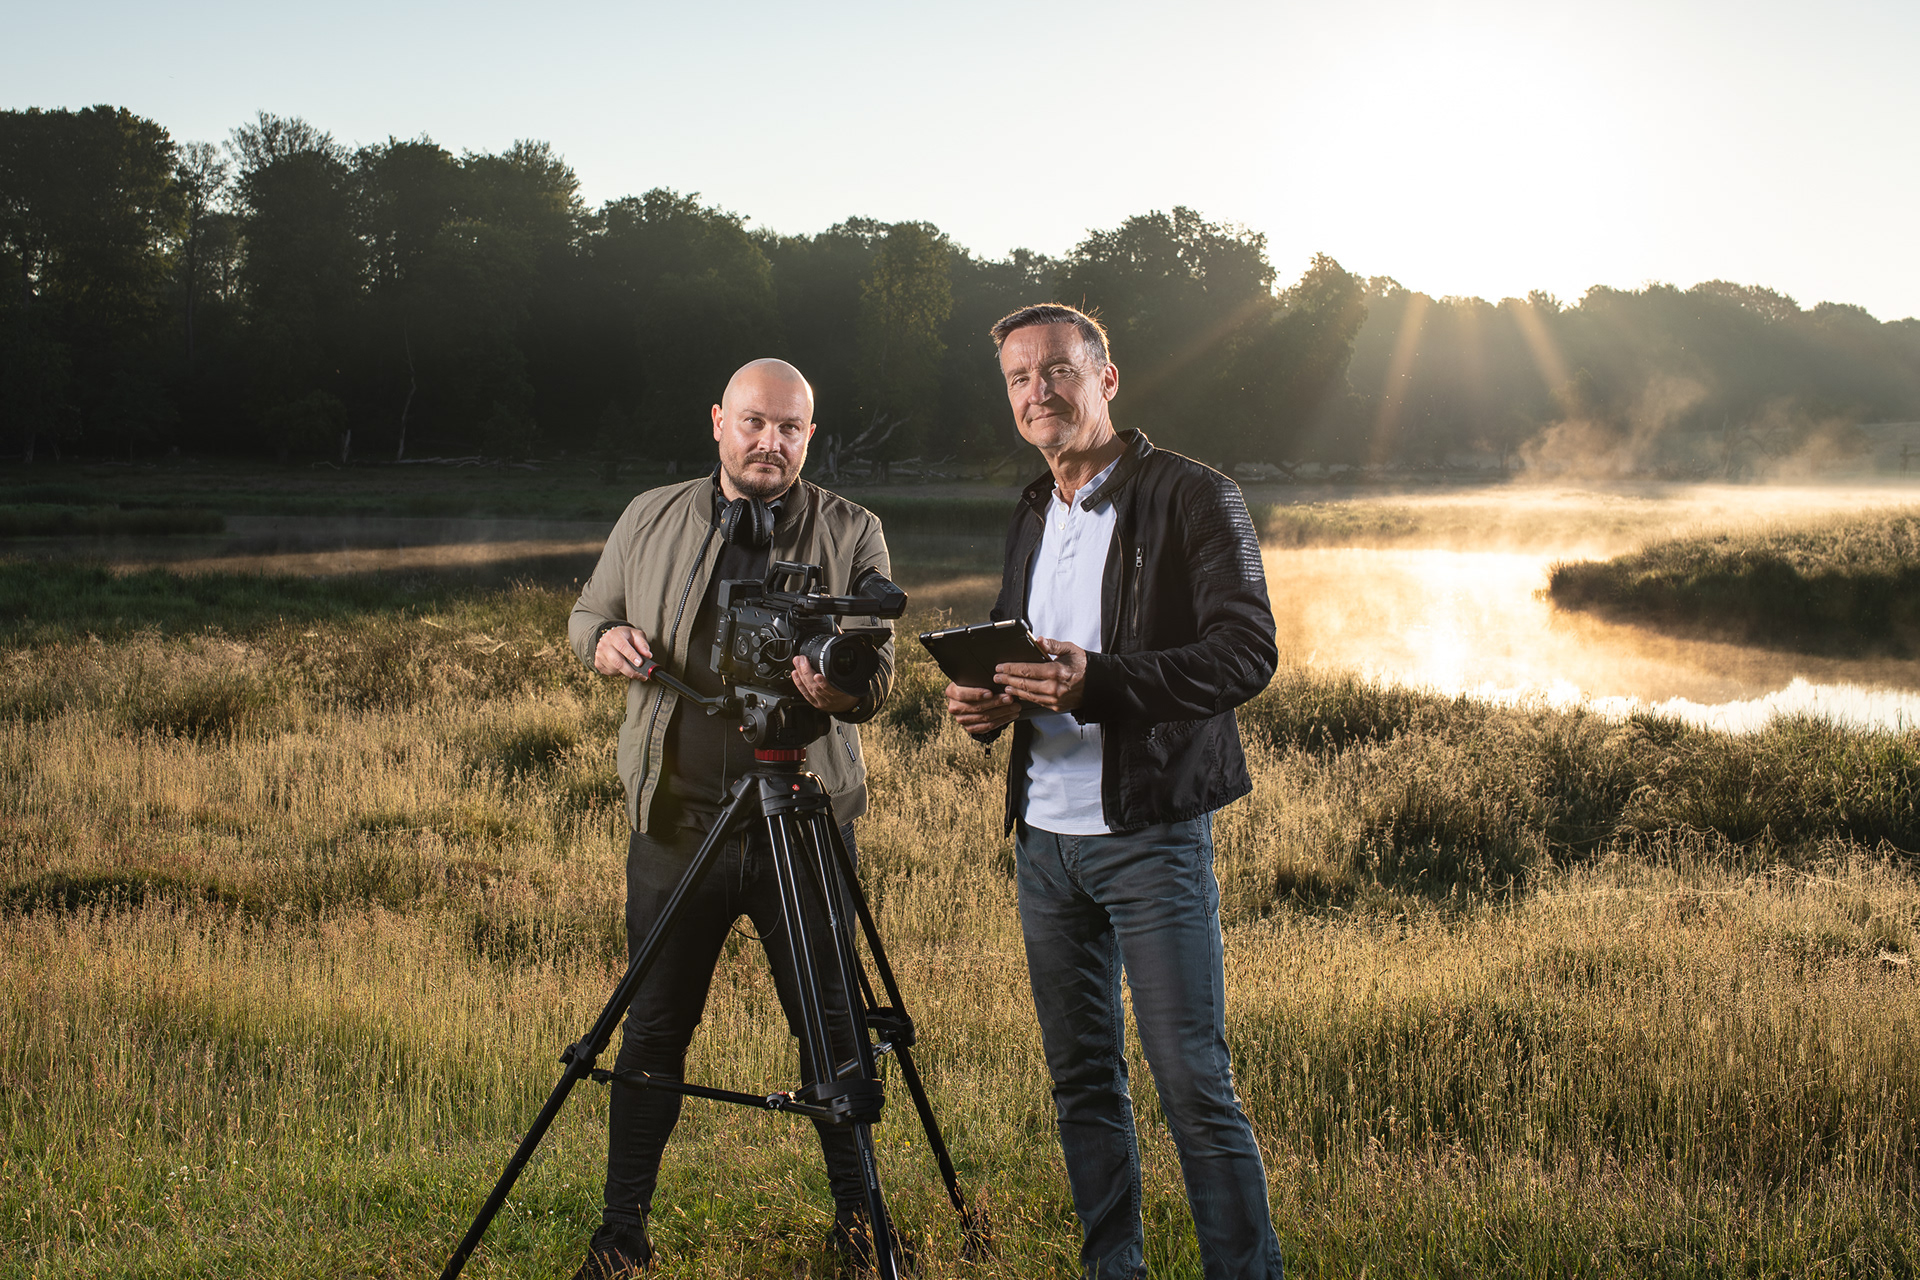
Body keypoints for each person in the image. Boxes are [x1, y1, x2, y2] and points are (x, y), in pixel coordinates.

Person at [944, 305, 1284, 1279]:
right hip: (1043, 842)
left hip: (1151, 834)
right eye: (1017, 377)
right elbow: (1032, 652)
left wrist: (1100, 681)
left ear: (1108, 378)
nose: (1036, 390)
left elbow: (1245, 652)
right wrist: (994, 700)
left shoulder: (1193, 496)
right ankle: (1113, 1267)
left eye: (1056, 369)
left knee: (1192, 1083)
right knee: (1082, 1081)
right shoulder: (1030, 509)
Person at [567, 358, 893, 1277]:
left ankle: (861, 1227)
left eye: (790, 429)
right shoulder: (650, 515)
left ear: (808, 438)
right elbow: (586, 614)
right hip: (677, 820)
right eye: (754, 422)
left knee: (832, 1026)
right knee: (655, 1027)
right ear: (719, 422)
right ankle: (621, 1233)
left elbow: (882, 671)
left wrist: (841, 683)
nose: (770, 442)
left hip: (802, 821)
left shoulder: (853, 529)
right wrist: (604, 641)